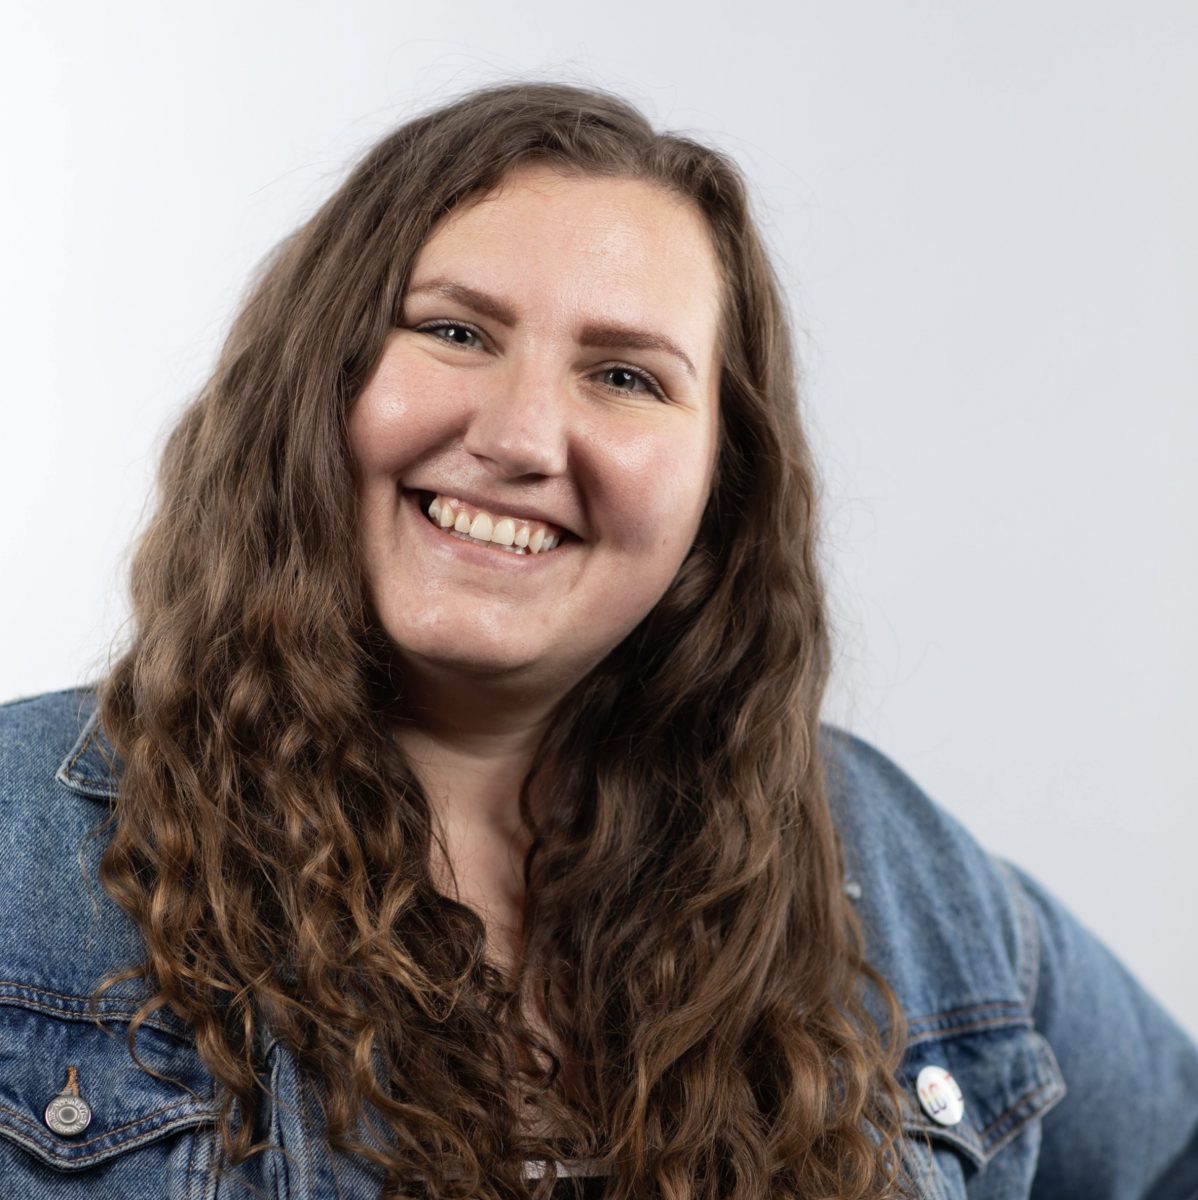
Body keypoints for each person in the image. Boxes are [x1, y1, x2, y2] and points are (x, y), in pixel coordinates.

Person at [0, 82, 1194, 1200]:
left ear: (719, 482)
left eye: (624, 374)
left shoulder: (893, 862)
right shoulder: (19, 848)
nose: (522, 436)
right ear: (317, 382)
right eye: (456, 333)